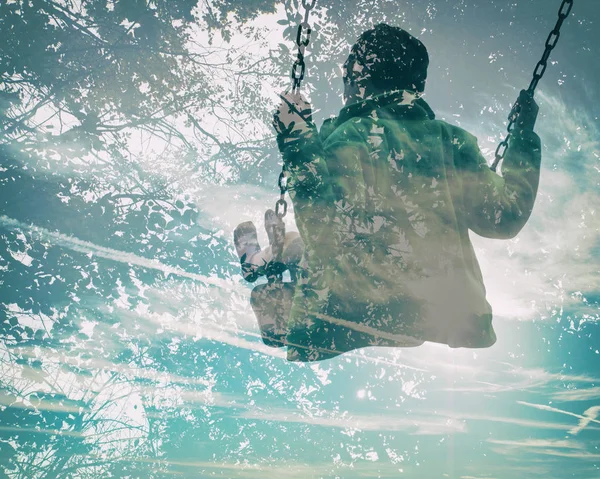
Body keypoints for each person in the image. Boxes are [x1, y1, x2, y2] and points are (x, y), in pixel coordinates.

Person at [236, 23, 541, 362]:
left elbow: (324, 226)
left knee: (278, 281)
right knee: (297, 245)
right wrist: (522, 137)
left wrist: (297, 142)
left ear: (358, 79)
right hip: (430, 313)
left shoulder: (348, 137)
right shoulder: (450, 141)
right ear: (417, 86)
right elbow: (504, 218)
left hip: (348, 312)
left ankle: (259, 267)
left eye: (348, 73)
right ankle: (266, 260)